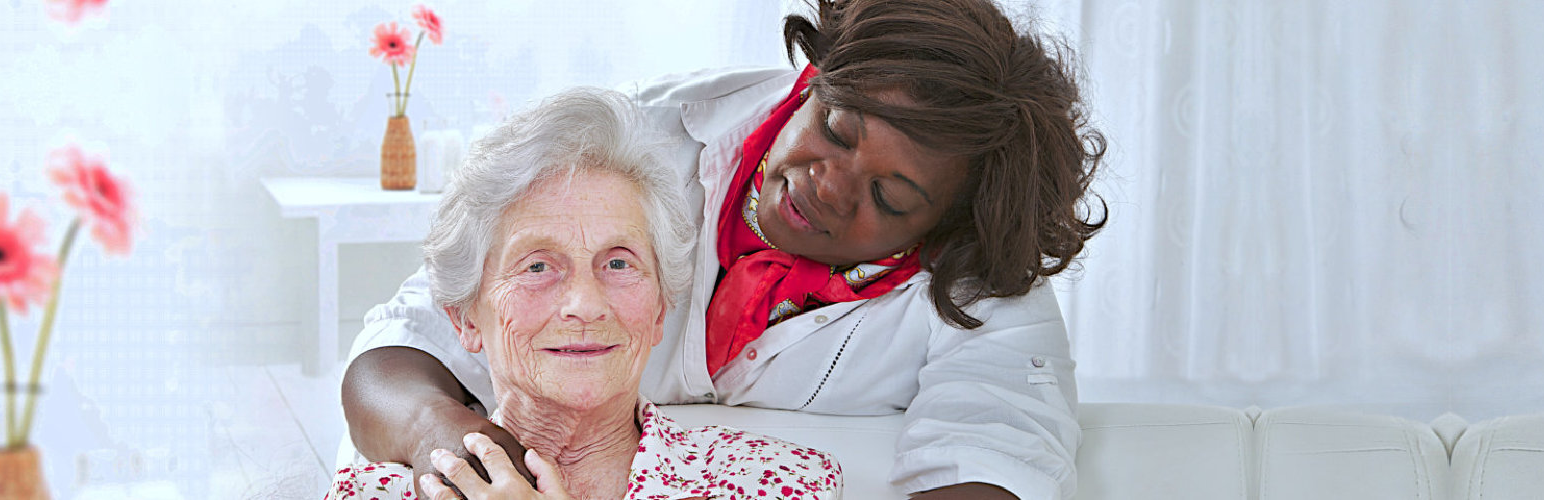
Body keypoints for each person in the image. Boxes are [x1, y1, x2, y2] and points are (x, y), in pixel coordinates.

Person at [342, 0, 1104, 498]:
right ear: (815, 77)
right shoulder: (637, 139)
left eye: (889, 198)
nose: (830, 186)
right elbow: (406, 340)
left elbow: (993, 462)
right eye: (835, 130)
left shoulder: (990, 288)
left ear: (949, 225)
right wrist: (443, 439)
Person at [328, 88, 842, 500]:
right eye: (537, 266)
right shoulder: (375, 492)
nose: (585, 304)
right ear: (465, 319)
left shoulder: (778, 482)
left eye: (618, 263)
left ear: (661, 307)